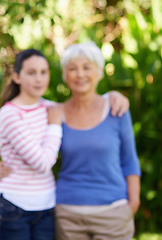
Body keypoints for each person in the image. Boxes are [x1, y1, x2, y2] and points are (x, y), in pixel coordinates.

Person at [0, 48, 130, 240]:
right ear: (17, 77)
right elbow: (42, 163)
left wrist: (114, 95)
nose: (39, 79)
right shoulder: (10, 114)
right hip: (16, 205)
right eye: (31, 73)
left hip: (46, 205)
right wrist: (55, 126)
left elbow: (85, 104)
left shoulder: (50, 107)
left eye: (43, 72)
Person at [55, 41, 141, 240]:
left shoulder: (116, 109)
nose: (80, 74)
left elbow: (130, 161)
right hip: (68, 215)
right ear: (65, 75)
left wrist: (133, 204)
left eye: (87, 67)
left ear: (99, 72)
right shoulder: (55, 113)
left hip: (113, 213)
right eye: (72, 68)